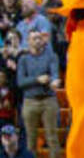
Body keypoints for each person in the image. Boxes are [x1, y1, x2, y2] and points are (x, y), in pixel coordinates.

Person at [16, 29, 61, 158]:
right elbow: (20, 82)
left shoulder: (51, 56)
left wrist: (55, 80)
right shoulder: (23, 59)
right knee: (30, 139)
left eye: (39, 38)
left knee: (52, 137)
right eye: (34, 38)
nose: (37, 40)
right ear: (28, 41)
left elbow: (54, 73)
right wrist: (37, 80)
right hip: (30, 100)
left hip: (48, 99)